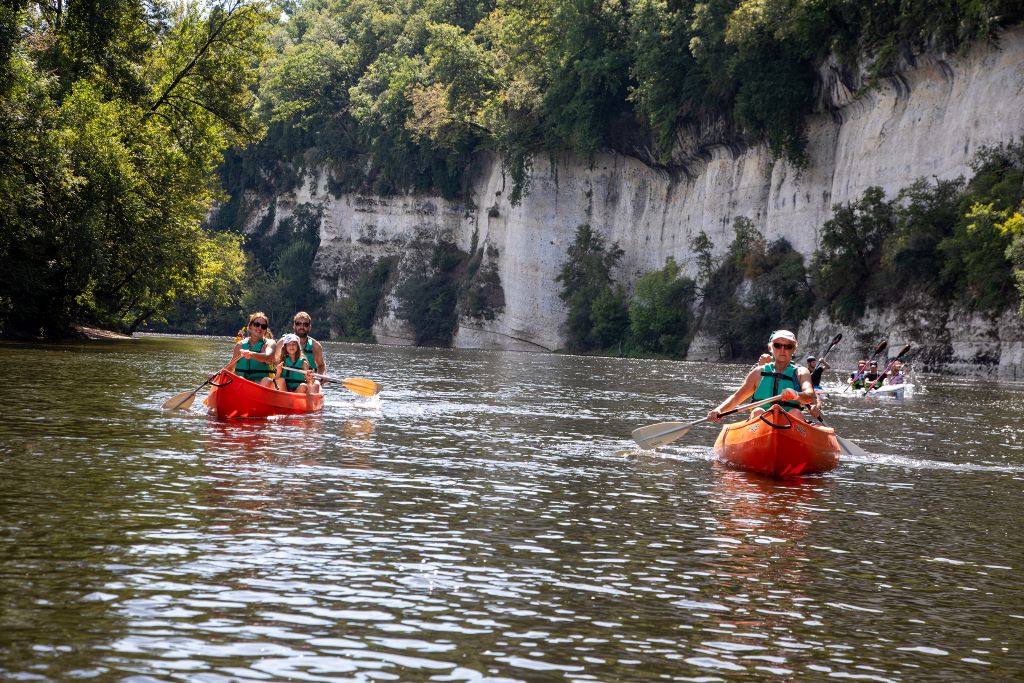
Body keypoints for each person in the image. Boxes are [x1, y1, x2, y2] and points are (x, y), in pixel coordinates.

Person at [708, 330, 816, 423]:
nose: (782, 350)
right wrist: (719, 410)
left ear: (794, 350)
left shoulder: (801, 372)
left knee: (795, 412)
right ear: (771, 348)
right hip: (761, 420)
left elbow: (810, 395)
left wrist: (796, 395)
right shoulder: (758, 372)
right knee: (758, 411)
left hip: (790, 419)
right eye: (778, 345)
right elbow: (737, 397)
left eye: (788, 346)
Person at [231, 312, 277, 388]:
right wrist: (218, 376)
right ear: (250, 326)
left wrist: (251, 354)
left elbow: (268, 356)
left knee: (267, 380)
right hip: (241, 383)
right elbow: (230, 367)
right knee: (240, 379)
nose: (260, 328)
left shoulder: (270, 343)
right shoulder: (240, 345)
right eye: (257, 324)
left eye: (263, 326)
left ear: (265, 330)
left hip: (260, 385)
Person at [291, 311, 326, 377]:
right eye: (298, 324)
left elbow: (321, 366)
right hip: (287, 383)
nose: (302, 327)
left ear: (309, 327)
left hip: (308, 382)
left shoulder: (316, 346)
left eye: (305, 324)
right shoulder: (283, 342)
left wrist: (322, 375)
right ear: (294, 326)